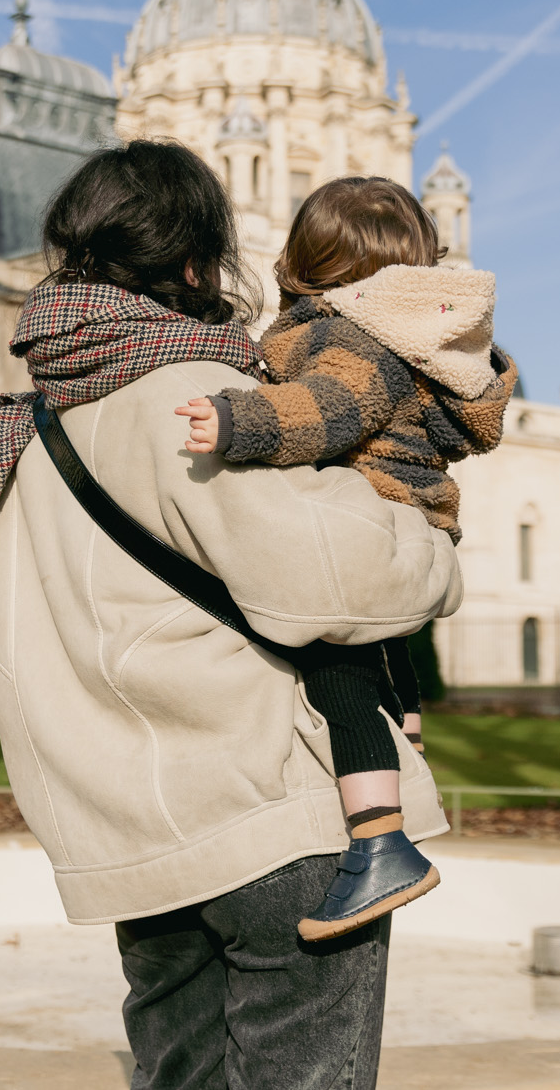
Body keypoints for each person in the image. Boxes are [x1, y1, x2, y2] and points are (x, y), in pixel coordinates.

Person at [0, 140, 461, 1089]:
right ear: (192, 263)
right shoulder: (193, 396)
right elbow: (337, 580)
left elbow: (12, 652)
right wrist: (430, 544)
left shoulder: (18, 439)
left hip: (133, 837)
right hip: (266, 817)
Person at [174, 177, 514, 941]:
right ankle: (405, 738)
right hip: (415, 517)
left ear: (304, 261)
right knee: (383, 651)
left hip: (364, 519)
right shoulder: (418, 337)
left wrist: (239, 419)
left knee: (336, 668)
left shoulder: (346, 332)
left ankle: (380, 842)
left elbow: (332, 409)